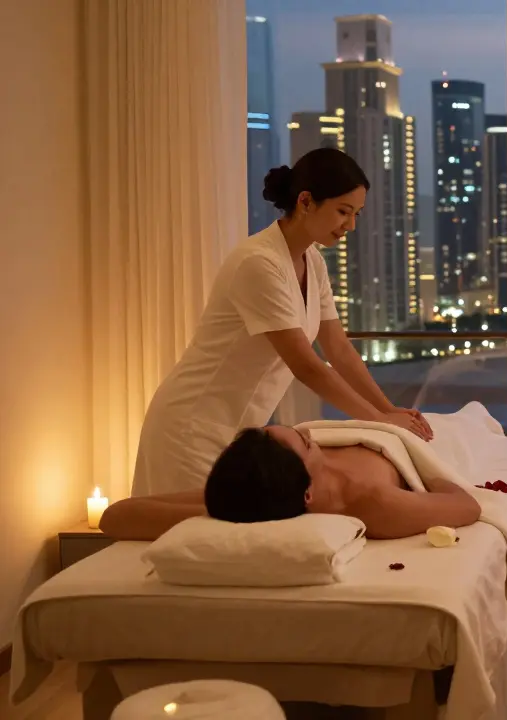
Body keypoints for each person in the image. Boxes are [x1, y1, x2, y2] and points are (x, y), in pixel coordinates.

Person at [131, 148, 432, 497]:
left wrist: (389, 409)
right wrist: (379, 421)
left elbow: (338, 348)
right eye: (343, 212)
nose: (350, 225)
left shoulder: (312, 262)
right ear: (305, 202)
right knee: (188, 540)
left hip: (239, 432)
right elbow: (307, 366)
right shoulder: (258, 263)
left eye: (356, 214)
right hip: (191, 428)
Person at [101, 424, 481, 542]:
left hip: (381, 431)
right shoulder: (372, 502)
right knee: (475, 421)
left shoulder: (257, 489)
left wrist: (222, 510)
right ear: (307, 492)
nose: (306, 431)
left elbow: (115, 514)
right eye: (304, 441)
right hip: (425, 439)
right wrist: (432, 472)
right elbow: (467, 506)